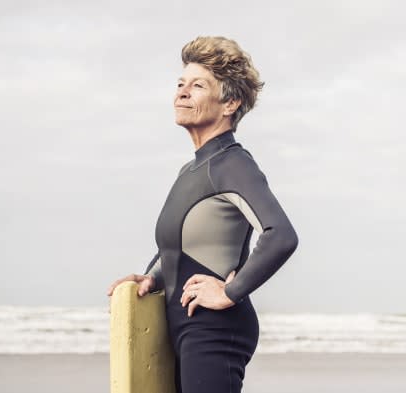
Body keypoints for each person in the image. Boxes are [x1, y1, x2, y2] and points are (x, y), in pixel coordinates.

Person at [106, 36, 299, 393]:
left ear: (230, 103)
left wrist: (231, 291)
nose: (182, 93)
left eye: (197, 86)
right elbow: (181, 248)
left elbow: (281, 235)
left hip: (214, 329)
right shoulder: (190, 171)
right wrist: (152, 278)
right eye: (180, 84)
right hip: (182, 326)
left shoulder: (233, 165)